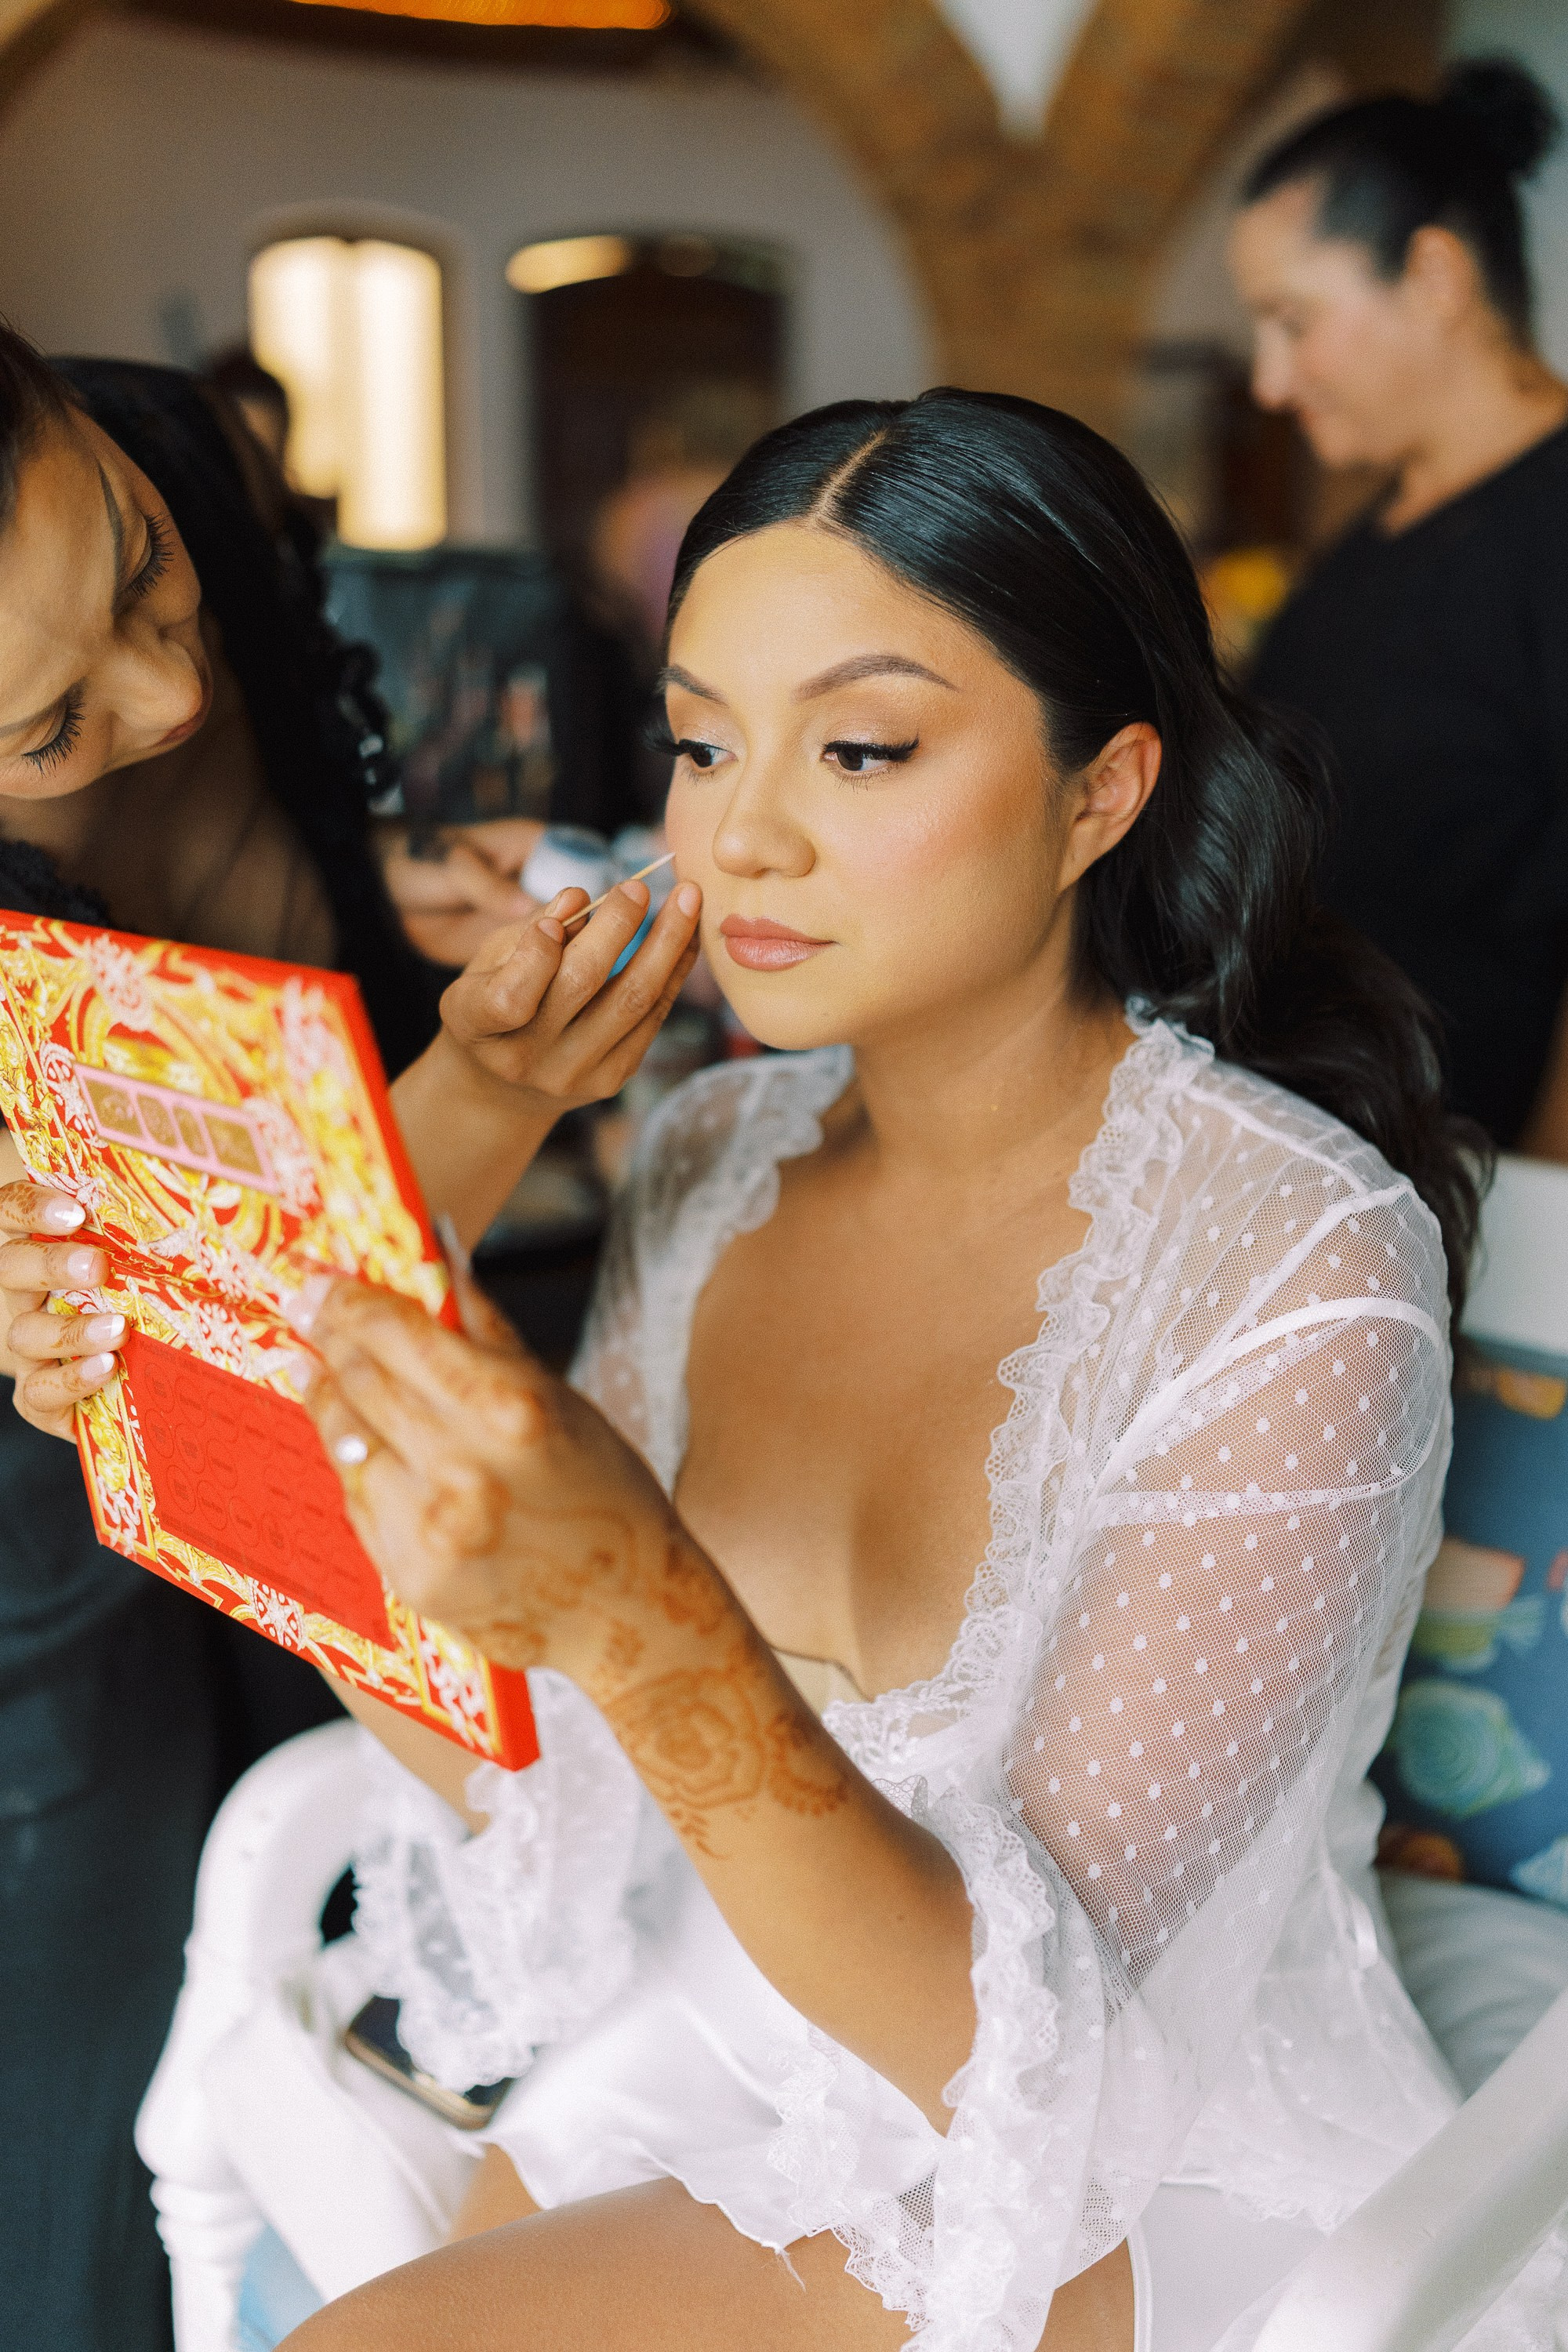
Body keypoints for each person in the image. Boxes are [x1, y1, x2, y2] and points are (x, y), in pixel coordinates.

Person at [107, 387, 1504, 2350]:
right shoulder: (706, 1159)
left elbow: (1037, 2075)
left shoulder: (1299, 1266)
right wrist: (181, 1399)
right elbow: (559, 1804)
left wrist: (643, 1609)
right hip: (715, 2048)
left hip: (1122, 2155)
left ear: (1102, 791)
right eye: (695, 741)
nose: (738, 833)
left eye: (860, 747)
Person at [0, 326, 702, 2352]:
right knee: (94, 2090)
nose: (171, 686)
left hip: (318, 1393)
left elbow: (283, 1174)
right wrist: (477, 1100)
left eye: (142, 562)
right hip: (68, 1516)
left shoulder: (175, 455)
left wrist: (390, 920)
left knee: (346, 1878)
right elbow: (237, 1309)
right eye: (54, 723)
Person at [1229, 60, 1568, 1150]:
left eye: (1293, 320)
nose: (1270, 384)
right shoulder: (1373, 536)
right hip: (1318, 1168)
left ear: (1433, 274)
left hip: (1481, 1209)